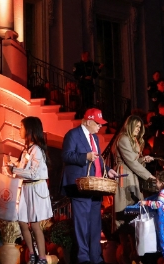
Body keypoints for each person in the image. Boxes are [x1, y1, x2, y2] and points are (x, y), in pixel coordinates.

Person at [62, 107, 111, 264]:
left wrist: (108, 171)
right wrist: (85, 157)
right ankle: (83, 258)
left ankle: (95, 257)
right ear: (89, 121)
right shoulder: (73, 135)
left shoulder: (94, 138)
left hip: (95, 186)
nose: (100, 127)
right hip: (80, 186)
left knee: (95, 224)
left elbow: (98, 160)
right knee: (82, 223)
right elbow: (66, 155)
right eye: (98, 123)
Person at [9, 116, 54, 264]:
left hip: (35, 188)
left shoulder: (36, 150)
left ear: (29, 129)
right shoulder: (26, 149)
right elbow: (23, 169)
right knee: (22, 221)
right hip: (27, 187)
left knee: (34, 224)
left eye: (21, 127)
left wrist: (14, 169)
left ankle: (42, 257)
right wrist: (14, 167)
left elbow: (34, 173)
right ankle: (32, 253)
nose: (19, 130)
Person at [111, 114, 155, 210]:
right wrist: (149, 176)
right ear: (130, 125)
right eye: (136, 126)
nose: (138, 129)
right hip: (124, 173)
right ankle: (122, 224)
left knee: (133, 203)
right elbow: (131, 161)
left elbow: (132, 160)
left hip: (131, 172)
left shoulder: (132, 140)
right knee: (125, 203)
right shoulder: (123, 139)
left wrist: (143, 159)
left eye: (140, 127)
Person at [72, 52, 101, 117]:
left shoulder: (91, 65)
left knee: (90, 101)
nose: (88, 57)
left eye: (88, 56)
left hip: (90, 85)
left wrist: (99, 70)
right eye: (86, 56)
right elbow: (75, 75)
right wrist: (83, 77)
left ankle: (90, 114)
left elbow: (94, 75)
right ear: (82, 56)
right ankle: (83, 114)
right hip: (83, 85)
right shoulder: (78, 65)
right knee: (83, 101)